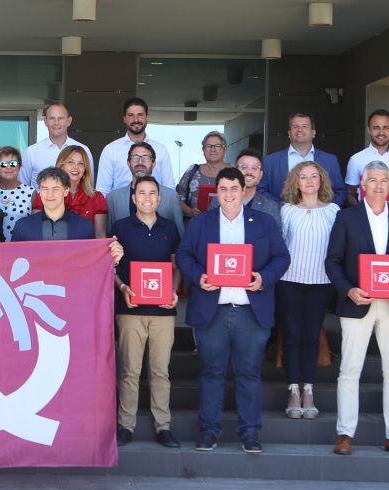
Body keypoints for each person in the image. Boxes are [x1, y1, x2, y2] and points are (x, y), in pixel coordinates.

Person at [176, 167, 290, 454]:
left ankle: (250, 433)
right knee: (211, 372)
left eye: (233, 189)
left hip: (250, 311)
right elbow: (184, 256)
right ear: (217, 192)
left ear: (243, 190)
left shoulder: (263, 222)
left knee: (249, 373)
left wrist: (263, 278)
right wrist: (199, 275)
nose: (228, 195)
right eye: (223, 189)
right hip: (211, 310)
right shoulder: (202, 223)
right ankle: (209, 431)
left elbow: (281, 257)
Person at [326, 161, 389, 457]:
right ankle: (345, 434)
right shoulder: (346, 218)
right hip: (358, 304)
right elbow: (332, 262)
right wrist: (349, 290)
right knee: (349, 370)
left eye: (384, 180)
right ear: (362, 185)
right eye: (373, 180)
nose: (379, 185)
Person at [110, 175, 181, 449]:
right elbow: (112, 267)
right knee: (129, 370)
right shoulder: (121, 227)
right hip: (130, 308)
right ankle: (126, 425)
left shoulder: (170, 228)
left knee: (160, 370)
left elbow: (176, 266)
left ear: (160, 198)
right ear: (134, 197)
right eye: (142, 193)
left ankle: (163, 426)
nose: (148, 198)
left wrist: (174, 291)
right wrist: (123, 287)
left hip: (163, 310)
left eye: (153, 193)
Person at [278, 162, 340, 419]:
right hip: (289, 280)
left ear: (321, 180)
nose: (309, 181)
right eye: (303, 177)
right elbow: (280, 246)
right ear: (296, 182)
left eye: (314, 176)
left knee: (312, 336)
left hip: (321, 282)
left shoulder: (334, 211)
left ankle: (309, 390)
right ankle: (293, 389)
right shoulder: (287, 211)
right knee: (292, 336)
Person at [259, 112, 346, 205]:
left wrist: (327, 210)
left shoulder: (330, 160)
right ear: (289, 133)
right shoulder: (270, 161)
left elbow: (340, 192)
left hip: (321, 217)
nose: (300, 129)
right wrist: (280, 209)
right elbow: (261, 190)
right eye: (295, 126)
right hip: (281, 217)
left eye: (305, 126)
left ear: (313, 133)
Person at [95, 97, 174, 193]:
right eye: (131, 115)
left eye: (140, 115)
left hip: (154, 206)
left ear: (147, 117)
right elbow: (103, 191)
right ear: (124, 119)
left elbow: (169, 189)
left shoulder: (161, 150)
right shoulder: (110, 150)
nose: (136, 119)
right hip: (120, 207)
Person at [107, 142, 184, 236]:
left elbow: (180, 236)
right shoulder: (112, 198)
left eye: (146, 158)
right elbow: (109, 237)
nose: (140, 162)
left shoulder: (171, 196)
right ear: (128, 163)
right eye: (135, 157)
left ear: (153, 163)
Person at [32, 146, 108, 237]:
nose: (76, 167)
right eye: (70, 162)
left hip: (86, 249)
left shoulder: (96, 198)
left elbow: (100, 235)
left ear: (85, 170)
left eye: (81, 163)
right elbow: (36, 231)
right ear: (61, 166)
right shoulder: (46, 195)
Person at [345, 109, 389, 205]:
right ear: (368, 129)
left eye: (385, 127)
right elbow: (349, 194)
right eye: (376, 128)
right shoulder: (356, 160)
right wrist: (361, 216)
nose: (381, 132)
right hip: (366, 218)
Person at [19, 103, 93, 189]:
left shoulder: (84, 150)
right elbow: (23, 187)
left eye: (60, 118)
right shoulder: (31, 152)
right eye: (52, 118)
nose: (56, 123)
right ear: (45, 121)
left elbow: (89, 185)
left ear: (69, 121)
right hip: (41, 202)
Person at [208, 149, 282, 229]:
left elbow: (275, 239)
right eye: (244, 167)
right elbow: (209, 232)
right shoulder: (219, 201)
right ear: (235, 171)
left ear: (261, 174)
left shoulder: (270, 207)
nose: (249, 172)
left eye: (254, 168)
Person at [176, 131, 231, 219]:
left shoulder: (235, 172)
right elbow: (178, 198)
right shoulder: (192, 171)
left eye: (217, 146)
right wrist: (190, 212)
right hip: (196, 225)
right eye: (208, 146)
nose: (213, 149)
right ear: (203, 150)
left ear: (224, 149)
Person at [0, 146, 35, 241]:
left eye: (13, 163)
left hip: (21, 250)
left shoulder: (31, 192)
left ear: (19, 166)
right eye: (3, 164)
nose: (8, 167)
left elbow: (35, 226)